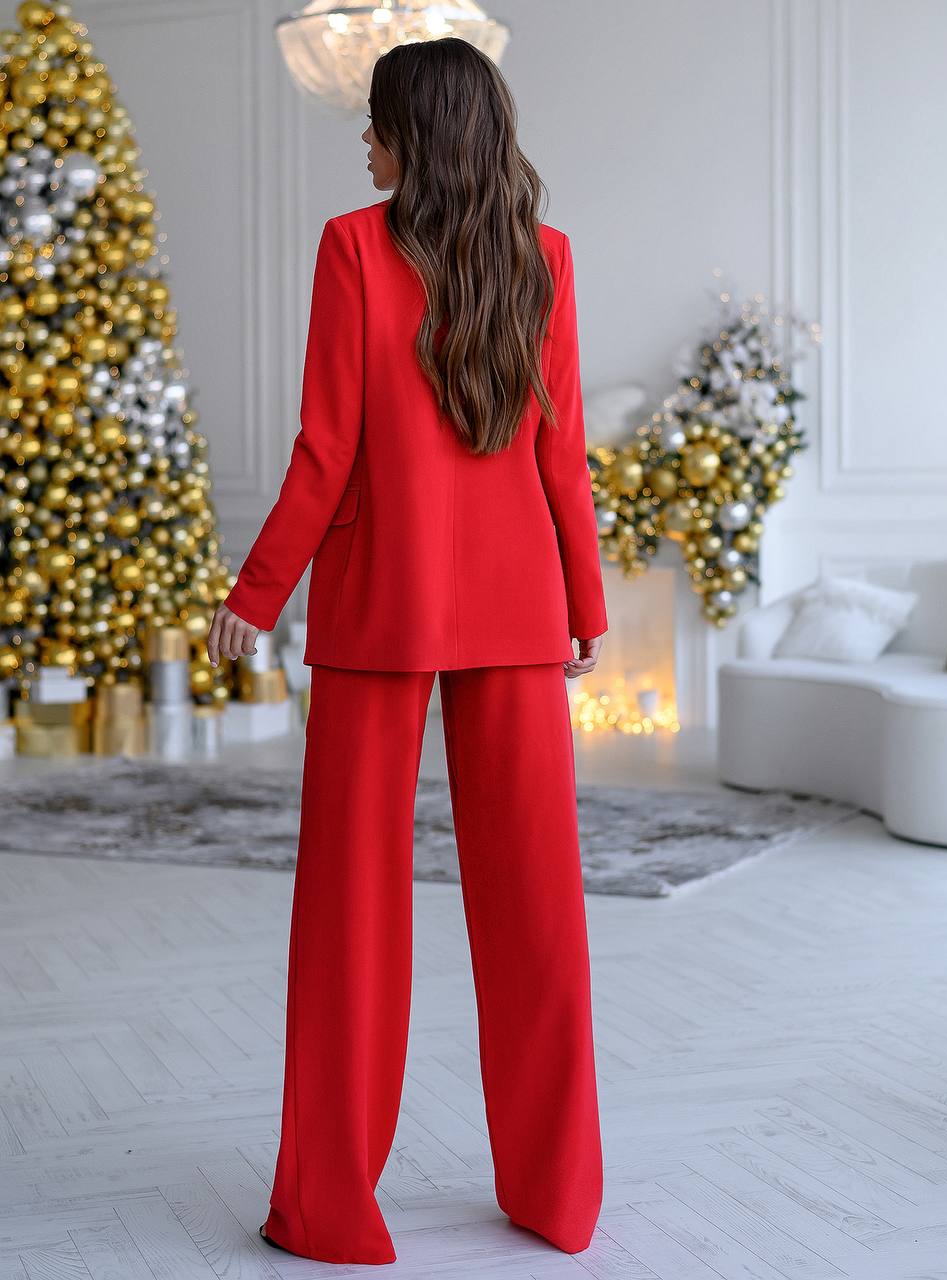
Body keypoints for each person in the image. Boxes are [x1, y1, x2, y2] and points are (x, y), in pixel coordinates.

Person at [206, 36, 608, 1268]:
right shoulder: (544, 257)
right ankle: (558, 1196)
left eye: (374, 126)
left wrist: (258, 589)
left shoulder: (351, 247)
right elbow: (560, 453)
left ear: (412, 134)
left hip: (381, 613)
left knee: (350, 911)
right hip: (519, 612)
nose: (364, 144)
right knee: (538, 912)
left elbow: (328, 448)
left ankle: (331, 1204)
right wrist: (585, 606)